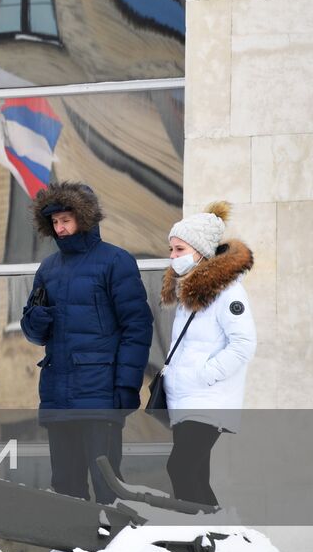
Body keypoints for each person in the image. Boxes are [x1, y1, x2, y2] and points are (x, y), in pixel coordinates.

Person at [21, 181, 153, 504]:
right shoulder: (48, 268)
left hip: (100, 393)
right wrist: (36, 321)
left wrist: (126, 387)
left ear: (85, 218)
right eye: (54, 222)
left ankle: (115, 549)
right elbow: (32, 331)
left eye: (66, 220)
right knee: (65, 486)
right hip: (57, 394)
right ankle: (71, 551)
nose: (60, 228)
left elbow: (137, 326)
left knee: (108, 486)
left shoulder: (115, 262)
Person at [159, 201, 256, 506]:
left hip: (209, 400)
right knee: (194, 475)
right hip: (187, 400)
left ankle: (202, 535)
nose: (172, 257)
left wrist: (206, 374)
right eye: (171, 249)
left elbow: (244, 343)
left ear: (201, 252)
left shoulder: (227, 292)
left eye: (179, 249)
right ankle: (218, 539)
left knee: (180, 468)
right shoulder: (189, 293)